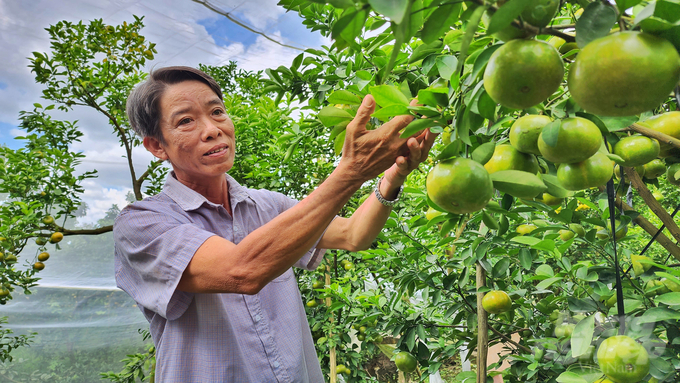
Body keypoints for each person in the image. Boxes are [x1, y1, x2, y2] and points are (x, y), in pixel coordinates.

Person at [113, 66, 437, 382]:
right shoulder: (141, 223)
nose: (212, 129)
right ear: (157, 145)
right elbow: (241, 271)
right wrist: (350, 172)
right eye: (185, 120)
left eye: (217, 112)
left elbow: (353, 234)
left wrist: (394, 175)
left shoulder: (268, 205)